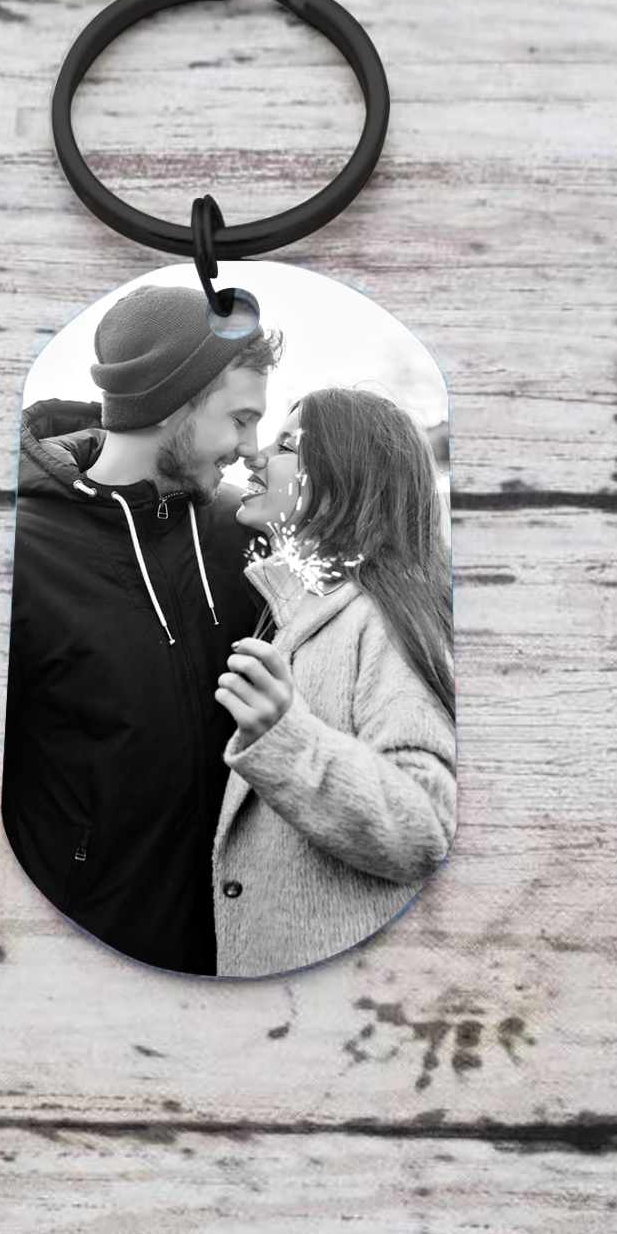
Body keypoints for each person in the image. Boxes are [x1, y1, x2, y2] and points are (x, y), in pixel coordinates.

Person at [2, 284, 283, 975]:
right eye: (239, 419)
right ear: (173, 402)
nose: (249, 448)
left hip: (245, 947)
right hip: (85, 950)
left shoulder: (238, 533)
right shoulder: (20, 549)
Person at [210, 387, 457, 978]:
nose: (255, 455)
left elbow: (426, 826)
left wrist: (286, 736)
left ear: (344, 479)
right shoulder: (292, 610)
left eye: (286, 446)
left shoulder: (387, 622)